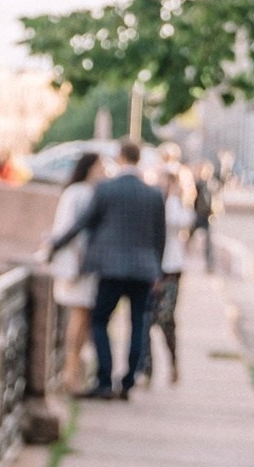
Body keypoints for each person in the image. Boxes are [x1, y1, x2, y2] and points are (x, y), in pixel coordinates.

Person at [50, 140, 168, 398]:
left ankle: (104, 380)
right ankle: (127, 383)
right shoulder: (154, 193)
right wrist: (158, 271)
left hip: (110, 269)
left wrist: (54, 245)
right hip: (144, 270)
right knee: (138, 324)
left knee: (100, 322)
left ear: (120, 157)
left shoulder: (106, 189)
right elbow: (160, 237)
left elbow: (81, 224)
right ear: (138, 160)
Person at [47, 152, 101, 392]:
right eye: (100, 166)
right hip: (78, 264)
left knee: (84, 318)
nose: (104, 171)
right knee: (79, 317)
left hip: (87, 265)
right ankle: (70, 371)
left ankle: (73, 368)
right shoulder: (78, 193)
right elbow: (69, 228)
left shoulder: (87, 192)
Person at [151, 163, 195, 382]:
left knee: (166, 318)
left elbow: (177, 221)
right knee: (147, 320)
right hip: (152, 267)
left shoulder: (176, 206)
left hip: (171, 268)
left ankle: (173, 362)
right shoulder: (153, 201)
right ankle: (146, 369)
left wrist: (174, 198)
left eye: (167, 182)